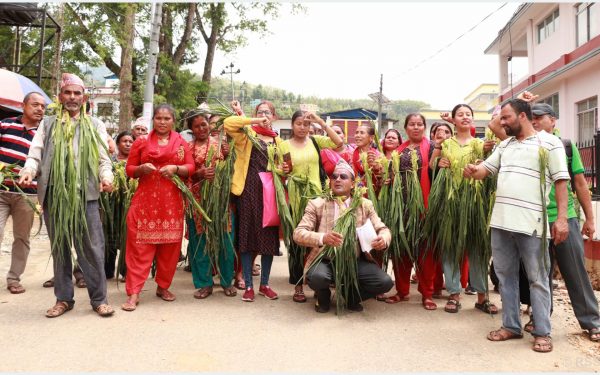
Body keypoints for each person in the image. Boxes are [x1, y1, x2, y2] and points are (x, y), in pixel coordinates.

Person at [489, 96, 600, 343]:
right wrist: (519, 103)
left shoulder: (564, 145)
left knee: (574, 273)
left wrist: (589, 219)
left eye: (541, 117)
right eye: (532, 116)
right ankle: (539, 322)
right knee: (539, 275)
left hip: (562, 218)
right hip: (529, 222)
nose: (536, 121)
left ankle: (592, 322)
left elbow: (579, 184)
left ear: (553, 120)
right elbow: (496, 125)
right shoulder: (517, 142)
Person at [464, 98, 570, 353]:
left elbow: (561, 181)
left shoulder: (550, 143)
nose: (502, 123)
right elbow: (484, 170)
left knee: (537, 279)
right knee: (505, 277)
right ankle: (511, 325)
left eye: (506, 117)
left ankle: (542, 332)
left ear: (522, 116)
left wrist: (562, 219)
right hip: (501, 223)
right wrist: (472, 170)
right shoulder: (506, 145)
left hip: (532, 224)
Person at [18, 73, 115, 318]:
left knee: (92, 249)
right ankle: (63, 299)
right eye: (68, 93)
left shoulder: (95, 125)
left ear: (84, 98)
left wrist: (107, 178)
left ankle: (99, 299)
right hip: (55, 195)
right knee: (60, 246)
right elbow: (35, 153)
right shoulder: (48, 123)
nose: (72, 97)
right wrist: (29, 170)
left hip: (87, 196)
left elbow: (105, 160)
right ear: (60, 96)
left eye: (77, 93)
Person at [120, 104, 195, 311]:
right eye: (159, 118)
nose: (162, 122)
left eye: (167, 118)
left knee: (170, 250)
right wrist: (141, 169)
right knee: (139, 249)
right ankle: (134, 293)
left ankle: (163, 287)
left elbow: (190, 168)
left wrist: (176, 168)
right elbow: (129, 169)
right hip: (145, 205)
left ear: (173, 121)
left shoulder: (181, 143)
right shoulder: (141, 142)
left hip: (171, 204)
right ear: (153, 120)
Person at [293, 160, 393, 313]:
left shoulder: (364, 204)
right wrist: (322, 238)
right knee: (318, 277)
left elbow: (383, 228)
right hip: (325, 260)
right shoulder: (317, 204)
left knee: (384, 282)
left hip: (354, 260)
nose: (337, 179)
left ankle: (352, 296)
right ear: (330, 181)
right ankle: (323, 295)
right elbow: (298, 234)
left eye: (343, 176)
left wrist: (383, 239)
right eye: (334, 176)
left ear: (353, 184)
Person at [428, 104, 496, 314]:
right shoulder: (446, 142)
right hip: (450, 202)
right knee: (450, 248)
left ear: (473, 119)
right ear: (454, 120)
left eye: (468, 114)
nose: (465, 117)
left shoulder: (480, 143)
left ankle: (482, 296)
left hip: (474, 202)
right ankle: (454, 295)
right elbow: (432, 165)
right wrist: (439, 161)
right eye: (460, 115)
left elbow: (489, 169)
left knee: (477, 249)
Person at [280, 110, 343, 303]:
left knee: (318, 242)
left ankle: (317, 283)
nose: (302, 127)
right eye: (299, 123)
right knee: (297, 243)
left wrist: (321, 123)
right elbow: (278, 169)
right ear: (292, 125)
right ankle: (298, 285)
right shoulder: (284, 145)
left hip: (316, 199)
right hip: (296, 199)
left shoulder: (316, 141)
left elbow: (338, 143)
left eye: (306, 124)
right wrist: (282, 170)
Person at [224, 101, 281, 302]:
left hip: (269, 194)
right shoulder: (247, 135)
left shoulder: (277, 141)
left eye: (268, 112)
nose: (264, 115)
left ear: (274, 117)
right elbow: (228, 123)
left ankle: (264, 285)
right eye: (260, 112)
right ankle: (248, 285)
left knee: (268, 239)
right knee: (246, 238)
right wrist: (255, 120)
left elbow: (283, 166)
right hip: (248, 191)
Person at [384, 114, 438, 310]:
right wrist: (389, 180)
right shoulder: (399, 150)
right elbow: (391, 174)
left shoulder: (432, 147)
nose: (416, 127)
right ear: (406, 128)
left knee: (425, 252)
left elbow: (437, 172)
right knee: (401, 251)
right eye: (412, 125)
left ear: (424, 127)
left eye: (419, 124)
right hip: (402, 208)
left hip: (424, 206)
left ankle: (427, 294)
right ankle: (402, 291)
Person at [186, 112, 237, 299]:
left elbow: (233, 168)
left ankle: (226, 281)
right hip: (198, 202)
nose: (202, 129)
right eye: (197, 126)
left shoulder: (220, 144)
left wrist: (227, 155)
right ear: (191, 129)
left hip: (221, 200)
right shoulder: (187, 148)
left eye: (204, 124)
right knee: (200, 242)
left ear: (210, 125)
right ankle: (204, 283)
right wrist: (199, 174)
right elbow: (185, 172)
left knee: (225, 240)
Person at [0, 92, 45, 294]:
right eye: (35, 105)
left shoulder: (45, 133)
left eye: (43, 106)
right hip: (1, 191)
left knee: (21, 237)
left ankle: (14, 279)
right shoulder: (5, 124)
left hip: (27, 195)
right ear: (23, 105)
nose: (39, 109)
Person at [104, 130, 134, 280]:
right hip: (111, 204)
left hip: (129, 204)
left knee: (126, 236)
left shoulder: (136, 162)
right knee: (109, 233)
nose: (128, 144)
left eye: (130, 141)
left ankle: (125, 271)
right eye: (124, 141)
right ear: (117, 143)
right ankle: (107, 269)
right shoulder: (110, 161)